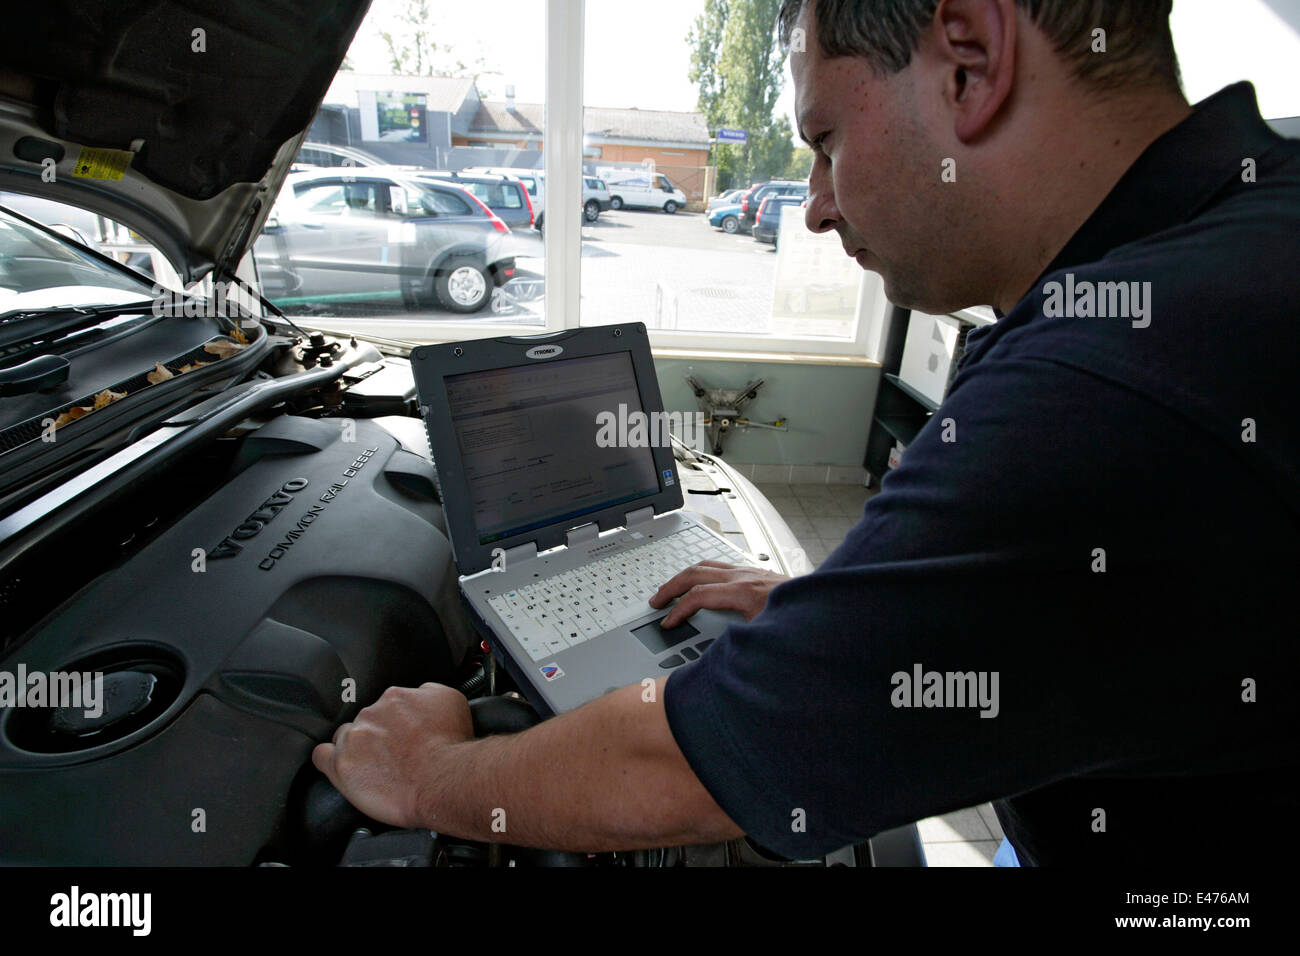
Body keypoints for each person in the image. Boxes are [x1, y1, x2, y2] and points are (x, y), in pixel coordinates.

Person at [313, 0, 1298, 865]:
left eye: (823, 141)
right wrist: (859, 614)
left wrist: (433, 770)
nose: (817, 207)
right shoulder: (1243, 237)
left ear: (970, 56)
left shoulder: (1104, 375)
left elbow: (705, 760)